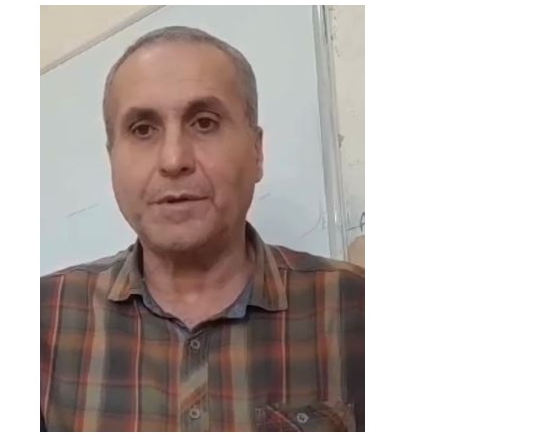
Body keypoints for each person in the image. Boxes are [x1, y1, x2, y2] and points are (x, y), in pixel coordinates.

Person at [40, 26, 364, 432]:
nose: (174, 159)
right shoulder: (45, 321)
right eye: (143, 129)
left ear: (257, 151)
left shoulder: (355, 308)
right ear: (112, 160)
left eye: (205, 123)